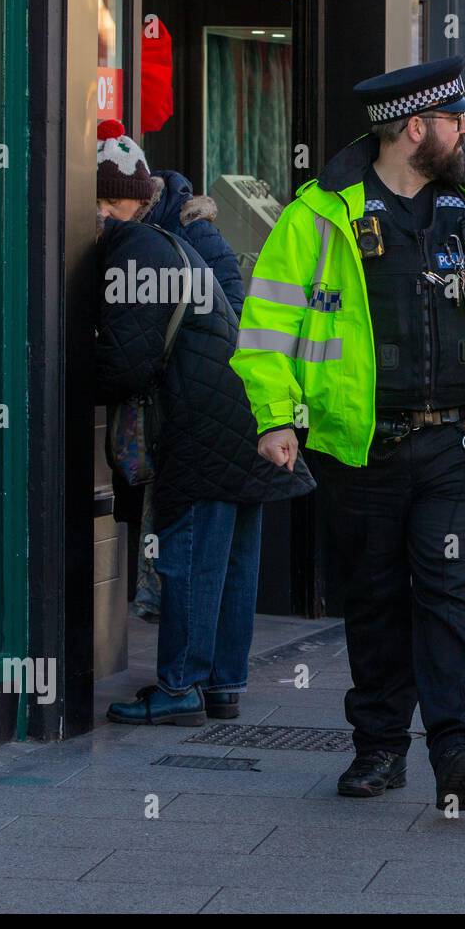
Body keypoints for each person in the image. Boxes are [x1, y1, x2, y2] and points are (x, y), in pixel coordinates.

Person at [231, 57, 465, 809]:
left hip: (462, 441)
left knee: (449, 587)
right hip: (362, 443)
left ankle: (460, 746)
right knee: (376, 597)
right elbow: (268, 327)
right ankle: (379, 747)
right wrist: (276, 416)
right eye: (456, 119)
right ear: (416, 129)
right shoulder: (320, 215)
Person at [95, 201, 315, 726]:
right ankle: (221, 685)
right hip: (245, 419)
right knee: (234, 564)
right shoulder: (170, 243)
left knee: (192, 561)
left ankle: (180, 687)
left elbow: (126, 364)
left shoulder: (134, 250)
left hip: (203, 430)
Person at [96, 119, 248, 623]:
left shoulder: (183, 227)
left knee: (188, 550)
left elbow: (230, 309)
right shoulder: (132, 236)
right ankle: (203, 676)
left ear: (135, 197)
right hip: (181, 408)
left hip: (192, 409)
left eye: (108, 204)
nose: (100, 216)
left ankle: (182, 674)